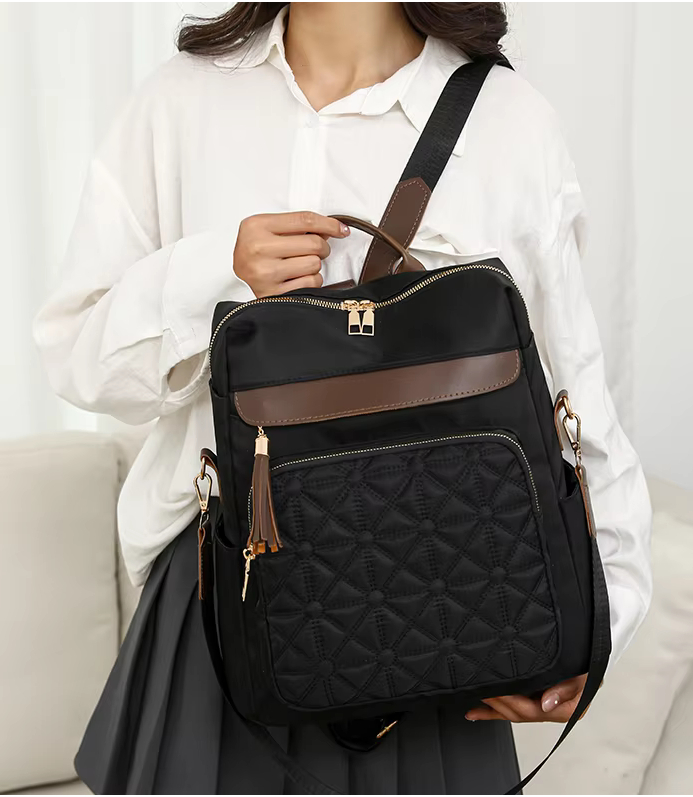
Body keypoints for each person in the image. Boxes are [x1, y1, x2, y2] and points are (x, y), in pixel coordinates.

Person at [33, 3, 653, 794]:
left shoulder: (509, 123)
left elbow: (574, 401)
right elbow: (77, 359)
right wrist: (219, 269)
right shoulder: (180, 101)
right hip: (222, 597)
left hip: (448, 600)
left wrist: (601, 623)